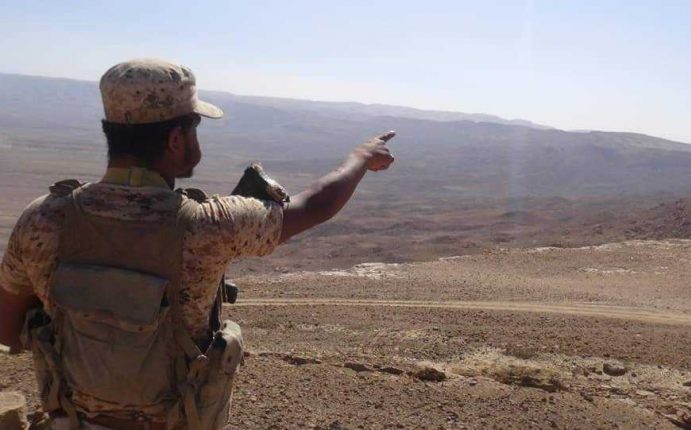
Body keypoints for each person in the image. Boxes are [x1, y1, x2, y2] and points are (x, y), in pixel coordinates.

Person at [0, 59, 395, 429]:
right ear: (175, 139)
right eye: (193, 129)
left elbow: (7, 328)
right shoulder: (211, 224)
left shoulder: (44, 218)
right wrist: (362, 157)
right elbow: (316, 205)